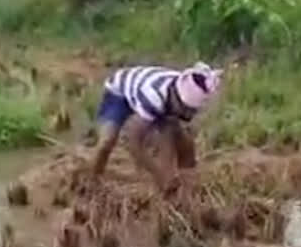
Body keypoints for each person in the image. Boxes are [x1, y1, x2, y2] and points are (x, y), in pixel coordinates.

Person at [90, 62, 222, 193]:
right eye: (185, 110)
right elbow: (131, 141)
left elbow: (167, 139)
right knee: (107, 140)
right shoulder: (153, 97)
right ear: (176, 100)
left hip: (152, 94)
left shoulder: (183, 88)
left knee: (177, 136)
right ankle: (92, 181)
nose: (188, 114)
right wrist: (157, 174)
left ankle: (183, 185)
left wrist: (171, 175)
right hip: (119, 93)